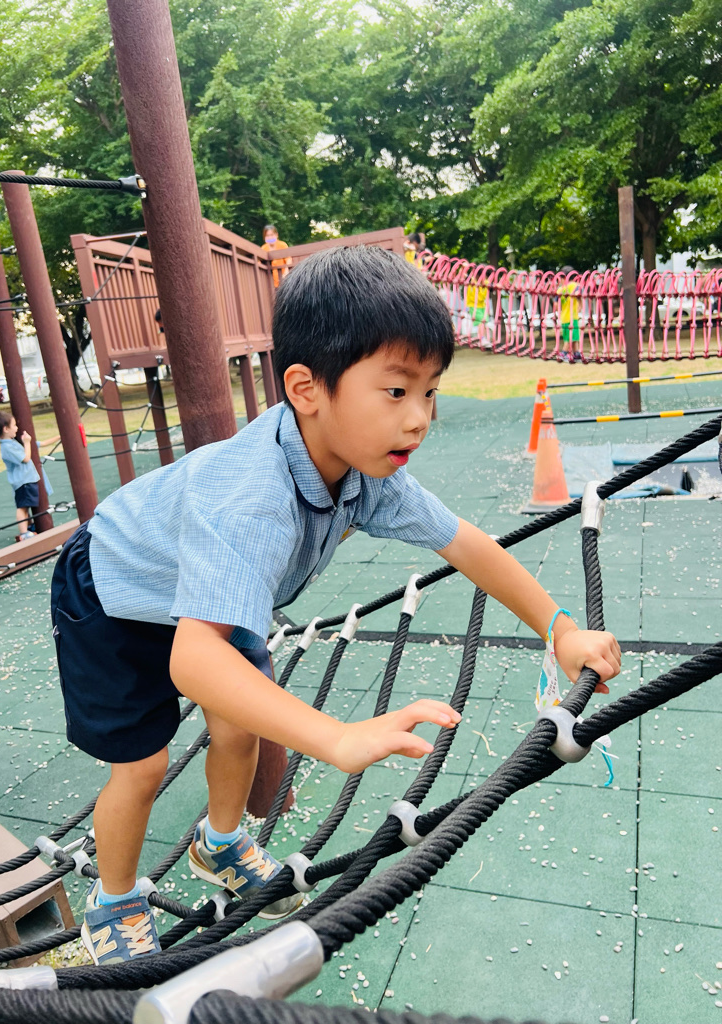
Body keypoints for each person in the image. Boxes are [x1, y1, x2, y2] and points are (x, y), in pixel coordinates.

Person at [50, 246, 621, 966]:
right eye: (396, 391)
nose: (420, 418)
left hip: (210, 588)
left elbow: (466, 543)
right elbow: (193, 661)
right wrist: (335, 737)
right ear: (306, 388)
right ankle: (114, 900)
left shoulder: (367, 471)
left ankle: (219, 843)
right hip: (117, 591)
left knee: (239, 727)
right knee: (142, 765)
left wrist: (560, 629)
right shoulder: (252, 500)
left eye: (430, 392)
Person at [0, 411, 52, 541]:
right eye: (14, 425)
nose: (17, 428)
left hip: (27, 479)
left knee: (26, 506)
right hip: (23, 481)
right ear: (6, 429)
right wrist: (27, 442)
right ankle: (24, 533)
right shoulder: (7, 447)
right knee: (22, 508)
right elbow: (25, 458)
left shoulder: (11, 442)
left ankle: (28, 526)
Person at [557, 266, 582, 362]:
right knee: (571, 336)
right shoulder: (575, 286)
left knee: (572, 336)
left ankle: (576, 353)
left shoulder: (560, 289)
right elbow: (579, 293)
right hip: (572, 317)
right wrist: (580, 305)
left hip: (564, 317)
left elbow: (556, 304)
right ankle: (564, 352)